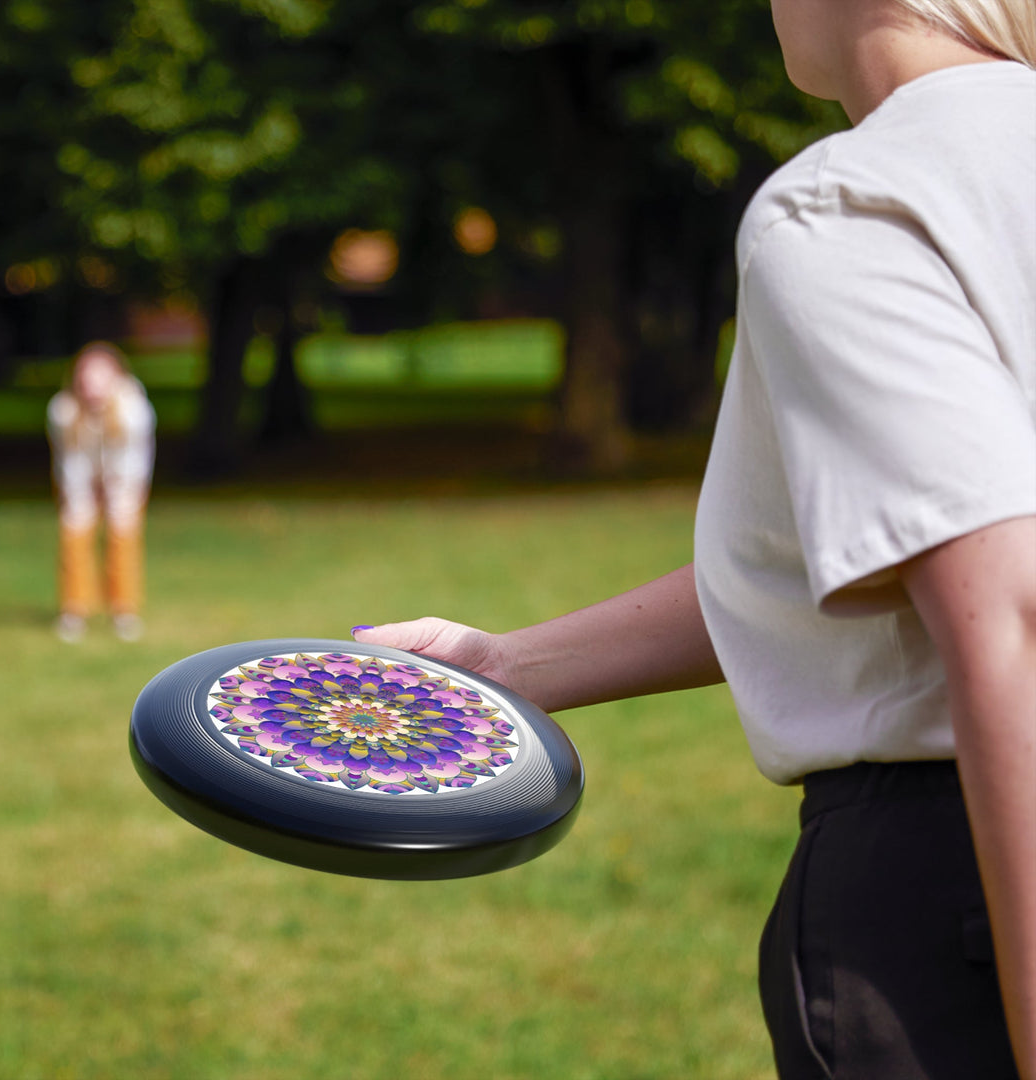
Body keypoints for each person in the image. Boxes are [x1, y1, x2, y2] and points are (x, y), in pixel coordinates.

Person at [351, 2, 1036, 1077]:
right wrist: (507, 667)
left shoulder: (856, 202)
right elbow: (871, 553)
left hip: (960, 889)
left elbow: (1011, 615)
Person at [47, 341, 156, 642]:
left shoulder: (134, 410)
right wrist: (82, 495)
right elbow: (70, 460)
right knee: (74, 531)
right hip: (79, 478)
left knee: (123, 534)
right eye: (86, 376)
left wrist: (116, 492)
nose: (92, 385)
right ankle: (74, 610)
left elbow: (133, 460)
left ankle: (124, 611)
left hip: (124, 479)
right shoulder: (63, 410)